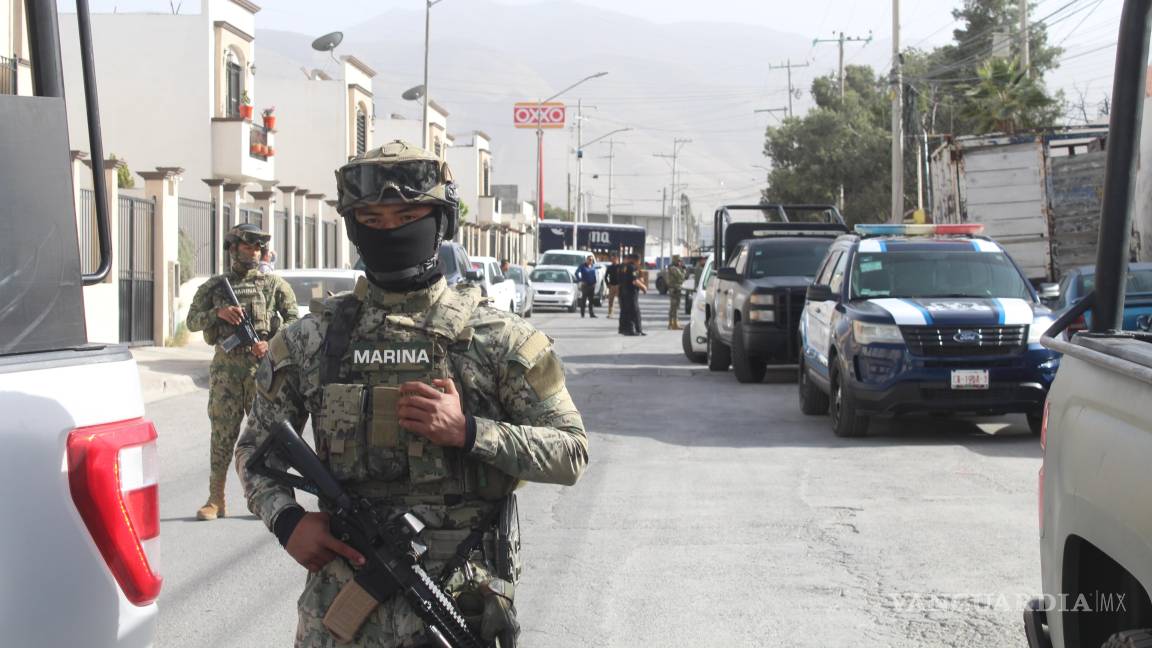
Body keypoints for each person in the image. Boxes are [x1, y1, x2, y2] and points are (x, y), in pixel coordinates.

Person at [235, 140, 589, 647]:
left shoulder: (501, 339)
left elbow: (570, 452)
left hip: (458, 607)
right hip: (342, 610)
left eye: (406, 214)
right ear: (354, 227)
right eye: (372, 219)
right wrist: (286, 519)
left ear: (440, 222)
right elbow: (254, 449)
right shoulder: (310, 341)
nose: (389, 230)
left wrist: (469, 431)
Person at [185, 224, 298, 521]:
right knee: (222, 436)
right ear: (233, 249)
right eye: (248, 247)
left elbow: (294, 322)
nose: (254, 252)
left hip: (262, 372)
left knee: (267, 438)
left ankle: (274, 498)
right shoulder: (215, 287)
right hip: (226, 372)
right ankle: (216, 499)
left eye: (258, 248)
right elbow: (192, 322)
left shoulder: (274, 285)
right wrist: (218, 313)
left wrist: (270, 344)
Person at [617, 254, 648, 336]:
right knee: (634, 312)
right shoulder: (632, 267)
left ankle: (623, 329)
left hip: (623, 292)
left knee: (625, 311)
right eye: (639, 262)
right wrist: (643, 287)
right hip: (631, 293)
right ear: (636, 260)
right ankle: (633, 330)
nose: (639, 264)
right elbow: (634, 281)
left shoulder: (622, 267)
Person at [666, 256, 686, 330]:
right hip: (675, 289)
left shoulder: (672, 268)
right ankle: (675, 324)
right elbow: (681, 277)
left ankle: (671, 323)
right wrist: (684, 270)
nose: (680, 263)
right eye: (678, 261)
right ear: (675, 261)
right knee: (675, 307)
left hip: (675, 289)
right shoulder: (674, 268)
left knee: (673, 307)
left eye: (680, 261)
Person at [605, 253, 620, 318]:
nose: (613, 260)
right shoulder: (610, 267)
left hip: (619, 286)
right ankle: (610, 314)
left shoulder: (620, 267)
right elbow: (606, 276)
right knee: (610, 301)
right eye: (612, 259)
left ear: (617, 259)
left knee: (621, 301)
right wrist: (608, 284)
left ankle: (623, 314)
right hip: (612, 285)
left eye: (614, 259)